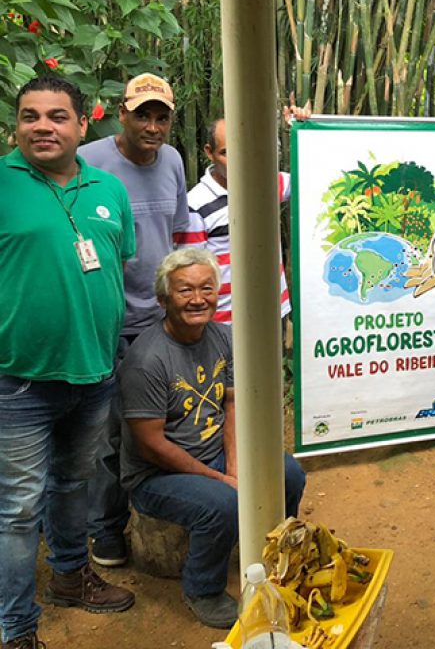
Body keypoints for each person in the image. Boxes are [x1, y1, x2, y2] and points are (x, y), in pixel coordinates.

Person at [0, 76, 136, 649]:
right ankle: (15, 628)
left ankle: (69, 575)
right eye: (30, 116)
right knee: (16, 510)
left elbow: (115, 266)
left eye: (57, 117)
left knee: (73, 483)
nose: (42, 126)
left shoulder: (109, 187)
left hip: (95, 373)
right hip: (19, 381)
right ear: (17, 125)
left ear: (84, 126)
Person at [119, 248, 307, 628]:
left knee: (287, 471)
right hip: (157, 476)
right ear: (163, 299)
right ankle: (202, 588)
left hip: (214, 456)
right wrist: (222, 480)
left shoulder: (223, 337)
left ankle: (277, 555)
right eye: (185, 290)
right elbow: (151, 445)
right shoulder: (147, 360)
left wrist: (235, 465)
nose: (198, 298)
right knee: (221, 503)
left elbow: (232, 404)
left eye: (207, 288)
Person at [79, 72, 190, 566]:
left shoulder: (172, 160)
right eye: (141, 113)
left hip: (159, 319)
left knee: (164, 422)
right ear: (120, 114)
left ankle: (164, 514)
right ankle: (104, 528)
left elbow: (180, 236)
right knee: (112, 430)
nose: (152, 125)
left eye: (161, 116)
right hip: (107, 320)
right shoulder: (89, 161)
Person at [180, 117, 292, 323]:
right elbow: (189, 271)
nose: (239, 160)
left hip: (273, 312)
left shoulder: (266, 183)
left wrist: (299, 127)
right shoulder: (194, 206)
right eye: (226, 153)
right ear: (209, 152)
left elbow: (310, 178)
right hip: (224, 322)